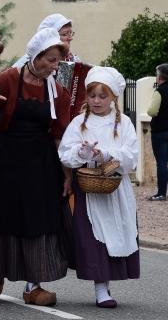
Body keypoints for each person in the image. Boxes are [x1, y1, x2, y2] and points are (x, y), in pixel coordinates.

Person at [0, 28, 72, 307]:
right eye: (49, 59)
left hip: (40, 165)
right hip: (5, 161)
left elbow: (62, 134)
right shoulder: (9, 79)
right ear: (35, 56)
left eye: (57, 62)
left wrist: (67, 175)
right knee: (0, 217)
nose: (53, 66)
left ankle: (33, 286)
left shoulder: (58, 91)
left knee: (38, 221)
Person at [58, 66, 139, 308]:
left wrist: (107, 155)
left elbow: (131, 155)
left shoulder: (123, 122)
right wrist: (81, 152)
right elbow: (65, 153)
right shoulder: (79, 122)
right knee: (94, 238)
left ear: (113, 97)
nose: (96, 101)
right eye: (92, 95)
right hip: (89, 192)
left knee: (117, 231)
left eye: (102, 96)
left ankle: (108, 282)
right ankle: (101, 288)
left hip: (116, 190)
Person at [13, 13, 79, 68]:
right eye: (65, 34)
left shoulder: (71, 59)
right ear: (49, 38)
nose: (70, 38)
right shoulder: (27, 64)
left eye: (70, 33)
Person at [147, 63, 168, 201]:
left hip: (160, 132)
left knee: (161, 162)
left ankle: (161, 193)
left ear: (159, 76)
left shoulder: (159, 91)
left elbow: (152, 111)